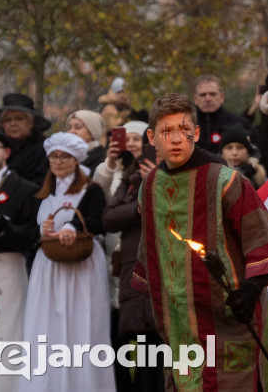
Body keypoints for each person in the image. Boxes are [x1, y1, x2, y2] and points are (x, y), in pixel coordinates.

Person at [132, 92, 268, 391]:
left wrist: (251, 289)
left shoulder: (226, 181)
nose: (176, 139)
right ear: (152, 137)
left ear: (195, 133)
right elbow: (151, 247)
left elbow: (260, 236)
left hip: (229, 317)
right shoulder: (149, 186)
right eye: (167, 131)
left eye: (183, 130)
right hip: (177, 320)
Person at [21, 132, 113, 390]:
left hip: (82, 265)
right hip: (48, 266)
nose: (58, 162)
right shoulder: (41, 191)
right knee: (47, 325)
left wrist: (72, 227)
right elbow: (26, 229)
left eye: (65, 157)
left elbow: (98, 220)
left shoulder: (90, 190)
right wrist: (43, 230)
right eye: (54, 157)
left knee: (82, 323)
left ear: (75, 160)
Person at [102, 139, 163, 392]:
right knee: (145, 344)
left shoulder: (186, 175)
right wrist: (138, 208)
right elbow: (108, 218)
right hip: (135, 269)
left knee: (168, 348)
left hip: (169, 268)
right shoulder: (132, 178)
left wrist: (159, 183)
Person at [0, 128, 39, 392]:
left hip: (9, 268)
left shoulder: (25, 189)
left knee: (6, 331)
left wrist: (5, 227)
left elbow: (32, 234)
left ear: (6, 153)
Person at [0, 93, 49, 186]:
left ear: (31, 122)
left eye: (19, 118)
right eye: (7, 120)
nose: (13, 124)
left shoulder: (44, 151)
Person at [93, 115, 149, 200]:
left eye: (137, 139)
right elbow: (98, 194)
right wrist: (110, 164)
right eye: (126, 140)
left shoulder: (153, 168)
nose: (130, 144)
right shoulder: (114, 168)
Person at [192, 74, 250, 153]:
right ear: (195, 98)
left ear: (222, 97)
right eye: (202, 95)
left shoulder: (240, 123)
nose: (208, 99)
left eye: (213, 94)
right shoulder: (186, 125)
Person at [64, 109, 108, 175]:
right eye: (69, 127)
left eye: (78, 127)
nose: (71, 131)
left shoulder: (101, 159)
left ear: (92, 132)